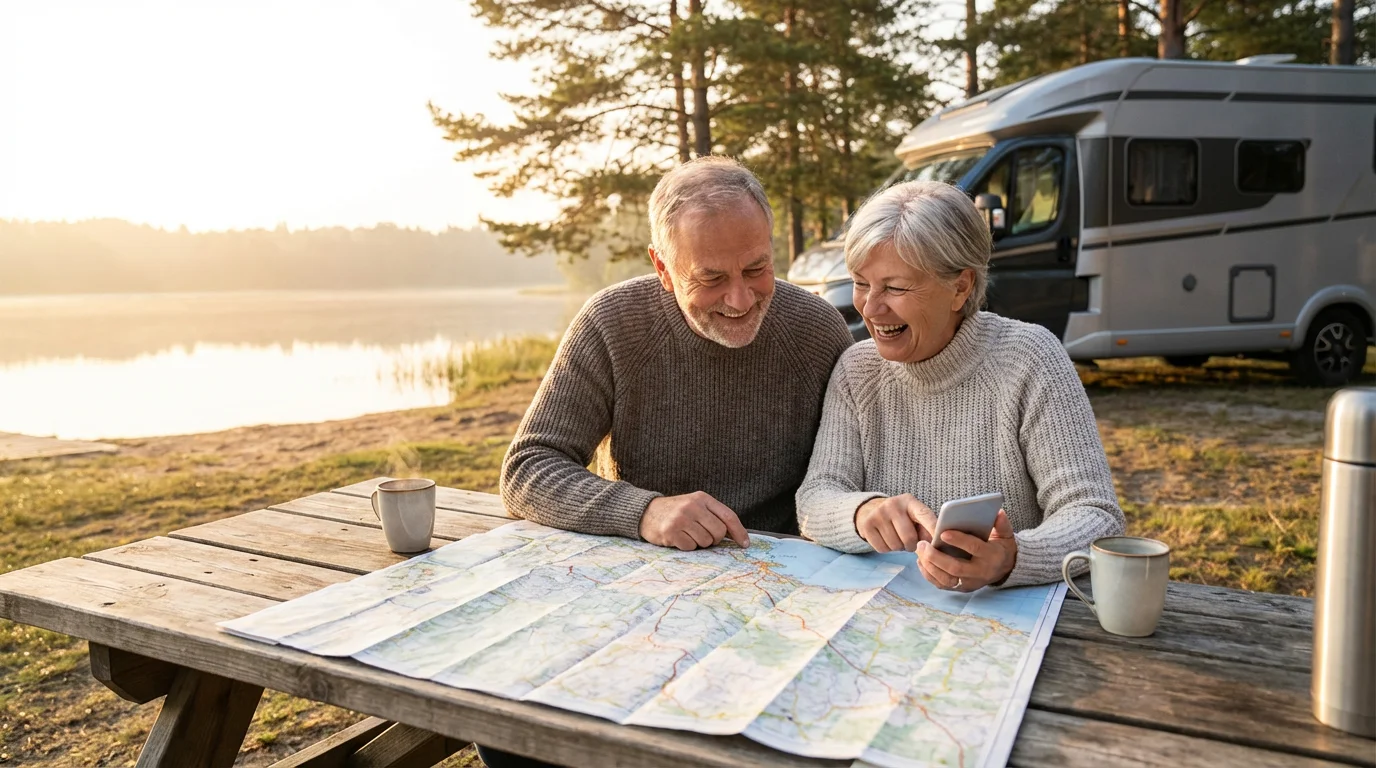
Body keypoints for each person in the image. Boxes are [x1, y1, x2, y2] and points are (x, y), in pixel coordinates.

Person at [484, 157, 852, 768]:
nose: (740, 298)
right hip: (639, 589)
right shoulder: (611, 323)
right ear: (661, 267)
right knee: (510, 728)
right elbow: (528, 466)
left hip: (780, 602)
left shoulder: (817, 330)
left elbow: (852, 476)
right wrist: (645, 511)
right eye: (710, 278)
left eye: (757, 268)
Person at [796, 180, 1124, 590]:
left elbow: (1096, 516)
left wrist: (1010, 559)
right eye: (861, 283)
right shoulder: (856, 370)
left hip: (1002, 621)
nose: (870, 307)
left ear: (961, 286)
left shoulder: (1030, 358)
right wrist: (862, 513)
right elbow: (816, 496)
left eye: (895, 287)